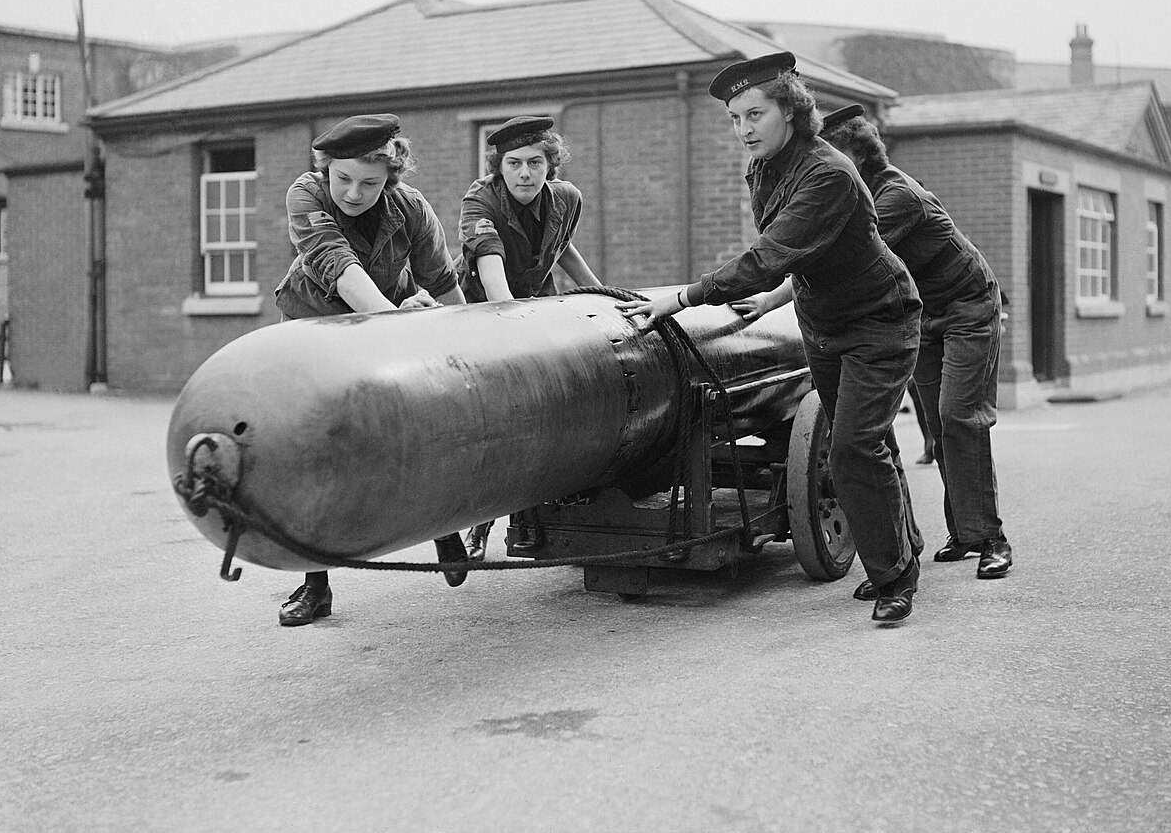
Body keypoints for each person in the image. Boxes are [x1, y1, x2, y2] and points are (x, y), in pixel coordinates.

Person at [616, 52, 924, 623]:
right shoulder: (766, 165)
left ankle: (894, 577)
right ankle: (901, 550)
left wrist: (683, 298)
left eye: (754, 114)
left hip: (880, 320)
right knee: (868, 444)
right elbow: (796, 252)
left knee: (855, 446)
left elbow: (770, 253)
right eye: (734, 119)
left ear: (790, 110)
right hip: (823, 321)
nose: (743, 129)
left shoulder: (828, 173)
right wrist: (772, 298)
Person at [273, 113, 469, 626]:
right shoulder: (306, 195)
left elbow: (441, 278)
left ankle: (443, 524)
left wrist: (474, 336)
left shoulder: (411, 207)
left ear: (392, 178)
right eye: (343, 179)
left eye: (371, 183)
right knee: (318, 453)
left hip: (390, 320)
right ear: (325, 168)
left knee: (420, 429)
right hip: (317, 327)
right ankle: (316, 586)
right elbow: (339, 265)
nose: (354, 193)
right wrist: (394, 318)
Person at [821, 105, 1010, 579]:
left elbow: (844, 257)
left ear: (859, 158)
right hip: (924, 315)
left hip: (969, 306)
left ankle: (991, 538)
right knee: (937, 422)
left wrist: (769, 295)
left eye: (834, 157)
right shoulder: (858, 199)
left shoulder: (896, 197)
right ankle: (964, 533)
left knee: (958, 416)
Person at [456, 115, 602, 560]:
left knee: (550, 414)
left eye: (535, 162)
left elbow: (562, 247)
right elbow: (491, 267)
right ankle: (477, 522)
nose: (524, 173)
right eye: (514, 163)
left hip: (538, 309)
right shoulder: (479, 201)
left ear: (550, 165)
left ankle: (542, 518)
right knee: (497, 423)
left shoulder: (567, 198)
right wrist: (514, 324)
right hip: (486, 317)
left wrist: (600, 292)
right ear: (498, 167)